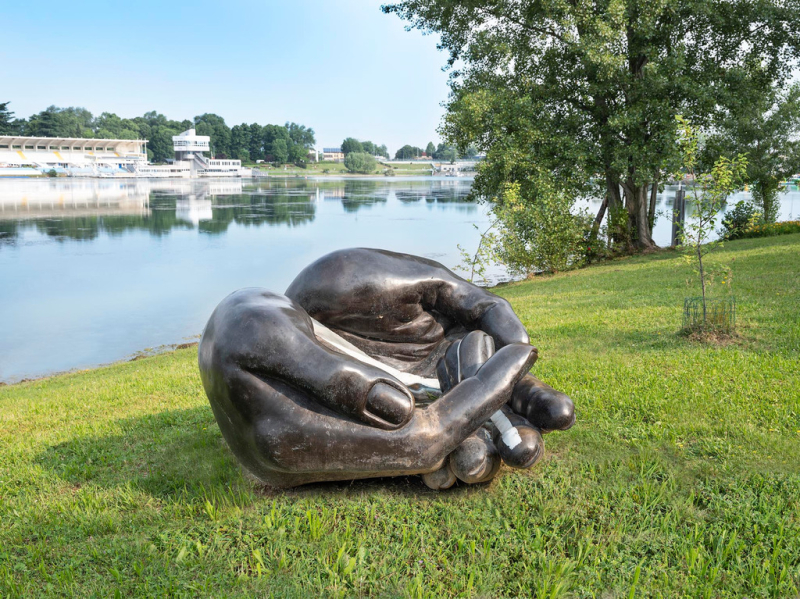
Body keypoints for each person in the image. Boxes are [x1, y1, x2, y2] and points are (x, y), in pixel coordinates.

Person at [198, 248, 574, 489]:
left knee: (501, 426)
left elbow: (483, 314)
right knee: (259, 327)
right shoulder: (333, 296)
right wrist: (255, 328)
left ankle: (434, 434)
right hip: (316, 346)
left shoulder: (441, 330)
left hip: (428, 369)